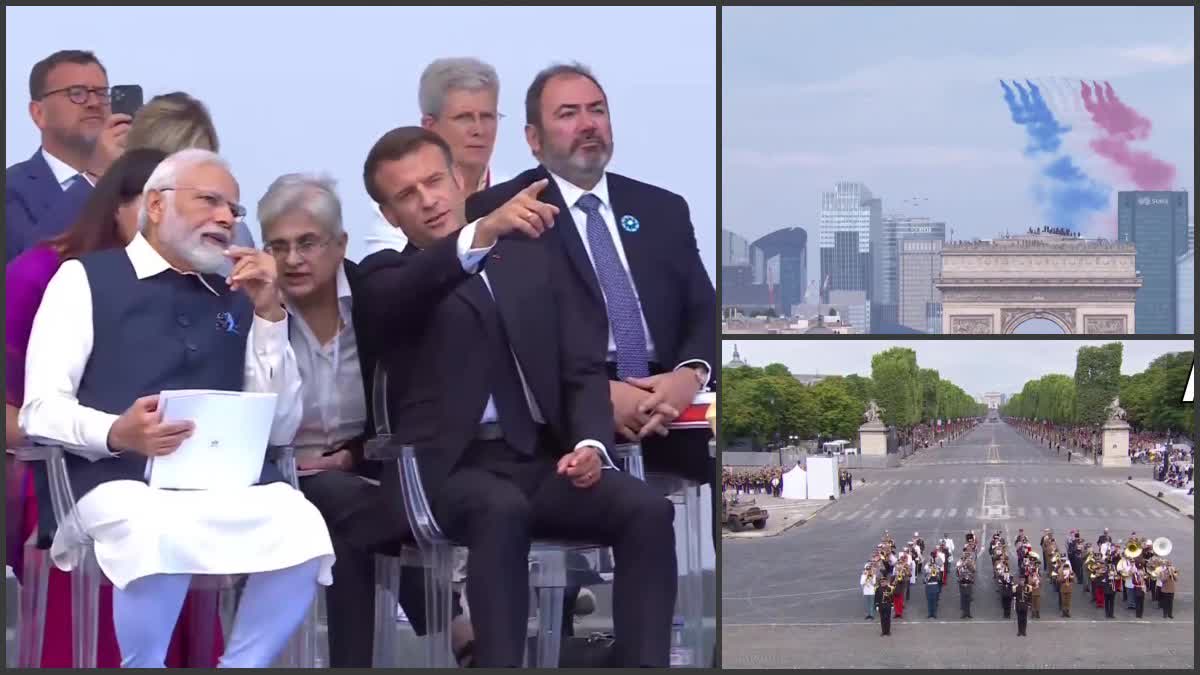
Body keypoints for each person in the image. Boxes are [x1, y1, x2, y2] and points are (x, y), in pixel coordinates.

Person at [356, 126, 678, 667]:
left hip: (538, 460)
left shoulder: (529, 262)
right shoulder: (386, 276)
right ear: (389, 215)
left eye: (435, 181)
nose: (428, 199)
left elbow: (577, 367)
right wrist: (479, 234)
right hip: (446, 473)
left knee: (645, 509)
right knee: (497, 509)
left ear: (459, 179)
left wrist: (591, 446)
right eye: (406, 195)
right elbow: (403, 298)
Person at [18, 148, 334, 667]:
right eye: (209, 200)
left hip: (221, 485)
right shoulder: (85, 279)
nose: (225, 218)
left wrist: (271, 317)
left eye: (234, 209)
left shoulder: (240, 293)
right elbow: (39, 410)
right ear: (157, 206)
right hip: (112, 482)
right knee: (152, 527)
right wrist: (117, 432)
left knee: (301, 524)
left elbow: (280, 428)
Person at [6, 149, 225, 667]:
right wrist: (109, 437)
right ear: (126, 207)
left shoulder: (202, 287)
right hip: (62, 471)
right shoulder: (49, 272)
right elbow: (28, 410)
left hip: (178, 475)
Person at [258, 173, 474, 666]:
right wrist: (267, 318)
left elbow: (412, 395)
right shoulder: (254, 306)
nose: (292, 260)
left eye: (308, 243)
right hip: (277, 475)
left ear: (340, 244)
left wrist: (355, 453)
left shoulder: (375, 299)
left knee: (348, 529)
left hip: (371, 468)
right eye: (280, 246)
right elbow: (255, 410)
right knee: (352, 506)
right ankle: (455, 626)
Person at [466, 62, 716, 485]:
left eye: (596, 110)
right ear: (533, 138)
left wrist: (688, 375)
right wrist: (599, 398)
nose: (587, 124)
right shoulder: (503, 211)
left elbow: (704, 308)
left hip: (670, 394)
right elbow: (515, 335)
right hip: (566, 405)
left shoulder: (662, 208)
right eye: (567, 114)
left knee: (719, 476)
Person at [363, 57, 503, 256]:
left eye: (487, 117)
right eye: (464, 118)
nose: (479, 130)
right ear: (430, 126)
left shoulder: (515, 194)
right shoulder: (397, 208)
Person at [7, 50, 128, 263]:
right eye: (77, 93)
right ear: (38, 113)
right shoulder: (12, 188)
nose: (94, 103)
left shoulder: (133, 185)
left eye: (101, 93)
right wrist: (93, 177)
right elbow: (24, 268)